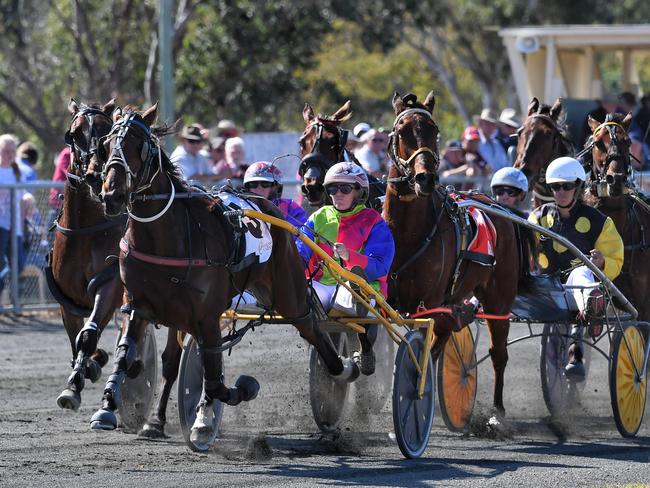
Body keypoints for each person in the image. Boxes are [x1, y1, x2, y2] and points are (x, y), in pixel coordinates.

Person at [528, 157, 624, 378]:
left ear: (578, 186)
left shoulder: (600, 222)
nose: (560, 192)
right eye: (555, 187)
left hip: (576, 292)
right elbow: (521, 248)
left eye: (567, 186)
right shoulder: (538, 217)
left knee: (581, 272)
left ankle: (592, 310)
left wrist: (602, 263)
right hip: (545, 290)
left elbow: (616, 259)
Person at [295, 162, 395, 318]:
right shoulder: (319, 217)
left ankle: (356, 301)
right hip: (322, 286)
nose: (338, 194)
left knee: (345, 297)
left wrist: (349, 256)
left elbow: (380, 266)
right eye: (333, 189)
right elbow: (300, 254)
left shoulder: (373, 221)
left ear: (358, 192)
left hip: (364, 286)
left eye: (345, 189)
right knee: (300, 294)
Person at [243, 162, 307, 227]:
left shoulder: (291, 208)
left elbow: (299, 234)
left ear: (276, 187)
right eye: (253, 184)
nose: (259, 188)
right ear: (248, 187)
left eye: (265, 184)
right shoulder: (240, 208)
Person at [0, 134, 25, 299]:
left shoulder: (18, 172)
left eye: (12, 151)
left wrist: (28, 200)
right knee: (1, 264)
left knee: (19, 264)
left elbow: (23, 195)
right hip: (1, 224)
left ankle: (16, 301)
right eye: (5, 151)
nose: (9, 155)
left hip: (15, 225)